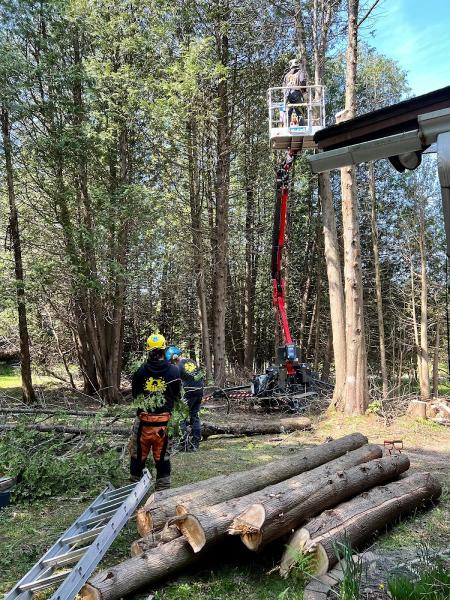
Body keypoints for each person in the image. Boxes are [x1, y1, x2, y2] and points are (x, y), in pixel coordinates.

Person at [129, 333, 181, 489]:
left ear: (149, 350)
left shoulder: (140, 372)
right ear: (164, 350)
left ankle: (133, 488)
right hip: (164, 424)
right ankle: (163, 491)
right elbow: (177, 395)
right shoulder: (174, 371)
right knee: (162, 457)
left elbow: (136, 397)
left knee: (137, 456)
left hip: (144, 423)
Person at [165, 345, 204, 451]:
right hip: (199, 391)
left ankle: (183, 444)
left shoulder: (178, 367)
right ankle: (195, 444)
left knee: (181, 418)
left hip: (189, 392)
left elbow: (175, 384)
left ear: (173, 357)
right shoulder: (191, 361)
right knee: (195, 417)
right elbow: (200, 375)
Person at [283, 58, 306, 126]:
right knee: (300, 112)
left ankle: (287, 128)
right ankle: (302, 128)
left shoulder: (286, 75)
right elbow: (302, 81)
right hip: (297, 94)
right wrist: (304, 91)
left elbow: (283, 87)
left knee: (288, 113)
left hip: (288, 96)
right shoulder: (300, 72)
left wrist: (285, 95)